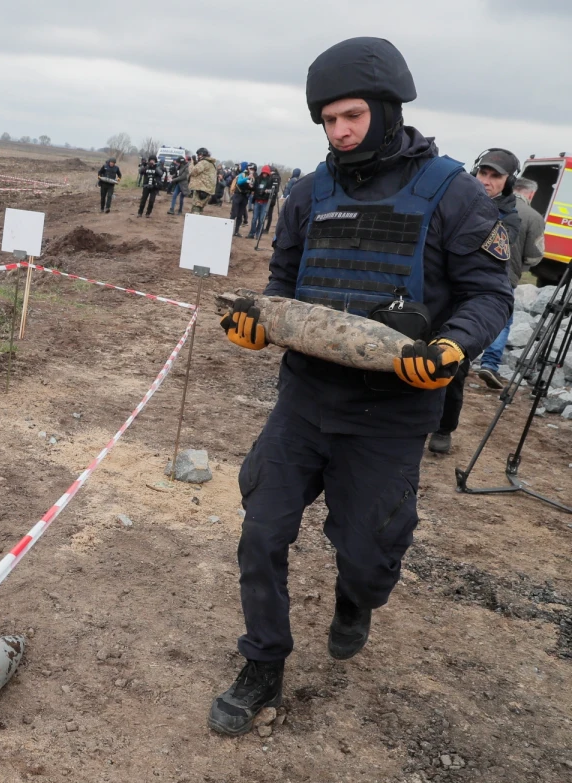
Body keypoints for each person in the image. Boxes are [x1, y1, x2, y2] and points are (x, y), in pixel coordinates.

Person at [211, 37, 511, 737]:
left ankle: (357, 599)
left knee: (370, 552)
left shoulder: (452, 192)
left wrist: (451, 345)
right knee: (261, 530)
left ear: (384, 109)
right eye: (327, 121)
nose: (338, 131)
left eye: (350, 116)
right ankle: (263, 660)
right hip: (306, 399)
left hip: (392, 411)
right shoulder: (310, 193)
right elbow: (284, 281)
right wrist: (260, 321)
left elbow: (490, 294)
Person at [429, 149, 523, 452]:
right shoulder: (455, 200)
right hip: (442, 291)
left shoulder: (510, 218)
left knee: (454, 366)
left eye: (496, 176)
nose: (487, 180)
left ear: (509, 182)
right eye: (483, 173)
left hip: (476, 298)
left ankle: (444, 428)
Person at [477, 176, 547, 389]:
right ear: (531, 194)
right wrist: (522, 267)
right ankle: (489, 363)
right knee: (503, 319)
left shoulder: (488, 204)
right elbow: (535, 255)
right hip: (505, 276)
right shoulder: (533, 217)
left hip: (474, 271)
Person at [249, 165, 276, 238]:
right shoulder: (257, 179)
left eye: (266, 173)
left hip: (265, 202)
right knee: (254, 219)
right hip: (257, 201)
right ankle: (251, 233)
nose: (264, 174)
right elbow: (254, 188)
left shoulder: (271, 180)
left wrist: (266, 191)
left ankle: (258, 234)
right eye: (263, 173)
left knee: (261, 220)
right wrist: (251, 187)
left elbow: (273, 191)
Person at [188, 148, 218, 214]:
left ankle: (195, 223)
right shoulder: (211, 163)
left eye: (198, 155)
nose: (198, 156)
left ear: (201, 155)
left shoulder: (203, 162)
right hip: (207, 190)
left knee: (196, 209)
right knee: (200, 209)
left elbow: (192, 172)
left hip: (201, 189)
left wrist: (192, 163)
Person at [230, 166, 253, 235]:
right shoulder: (242, 174)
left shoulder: (252, 176)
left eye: (253, 169)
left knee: (240, 215)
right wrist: (247, 178)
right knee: (234, 214)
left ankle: (236, 231)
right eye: (250, 169)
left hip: (245, 197)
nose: (252, 170)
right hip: (238, 195)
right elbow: (239, 182)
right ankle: (229, 229)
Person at [264, 166, 282, 235]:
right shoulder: (277, 176)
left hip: (271, 197)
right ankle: (266, 228)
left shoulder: (274, 177)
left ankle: (267, 229)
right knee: (269, 214)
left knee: (269, 214)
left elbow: (275, 189)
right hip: (272, 197)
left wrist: (268, 191)